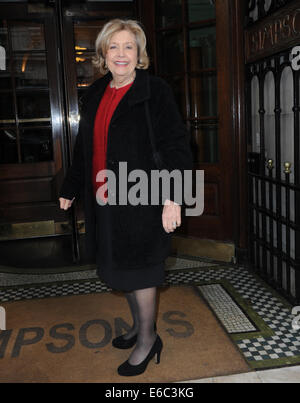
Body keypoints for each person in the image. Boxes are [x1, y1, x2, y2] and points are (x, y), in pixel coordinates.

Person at [59, 19, 193, 377]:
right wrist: (70, 187)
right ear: (104, 53)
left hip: (144, 197)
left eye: (129, 46)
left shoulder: (155, 91)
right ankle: (138, 326)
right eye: (114, 47)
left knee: (142, 270)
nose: (121, 54)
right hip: (106, 199)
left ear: (139, 53)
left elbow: (176, 146)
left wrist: (173, 198)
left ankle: (148, 340)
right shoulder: (96, 92)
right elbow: (84, 148)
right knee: (120, 267)